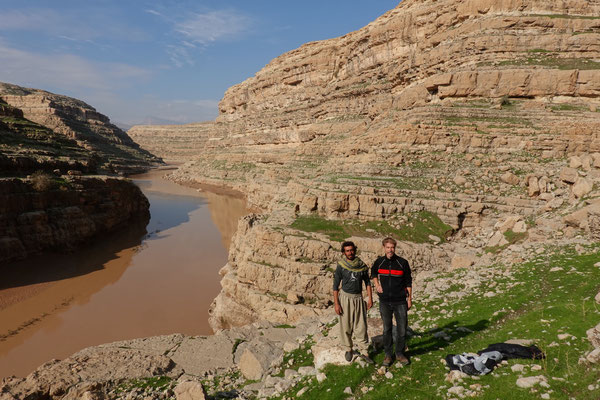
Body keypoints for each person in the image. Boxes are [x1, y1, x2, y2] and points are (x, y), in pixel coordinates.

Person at [371, 237, 412, 367]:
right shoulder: (379, 262)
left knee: (401, 329)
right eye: (388, 247)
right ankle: (388, 355)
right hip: (384, 301)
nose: (390, 250)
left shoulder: (402, 263)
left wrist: (409, 299)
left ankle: (399, 353)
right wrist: (377, 285)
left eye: (392, 247)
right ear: (384, 248)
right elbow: (373, 274)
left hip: (400, 301)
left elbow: (408, 282)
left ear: (395, 248)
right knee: (387, 329)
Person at [333, 241, 374, 364]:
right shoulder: (341, 266)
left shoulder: (362, 266)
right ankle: (348, 349)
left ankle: (364, 351)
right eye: (347, 251)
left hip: (358, 298)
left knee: (361, 325)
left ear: (355, 250)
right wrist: (336, 303)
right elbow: (335, 286)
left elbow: (367, 283)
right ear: (343, 252)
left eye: (352, 250)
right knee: (346, 325)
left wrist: (370, 298)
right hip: (345, 298)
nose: (350, 252)